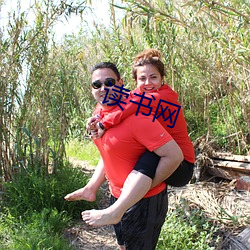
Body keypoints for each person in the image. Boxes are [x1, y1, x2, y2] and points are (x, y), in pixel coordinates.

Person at [65, 61, 184, 250]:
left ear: (121, 83)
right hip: (116, 195)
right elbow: (109, 154)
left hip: (144, 202)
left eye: (109, 82)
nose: (103, 88)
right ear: (92, 89)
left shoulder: (139, 116)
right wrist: (92, 186)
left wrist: (143, 190)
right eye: (97, 84)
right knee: (122, 246)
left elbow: (175, 156)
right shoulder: (100, 112)